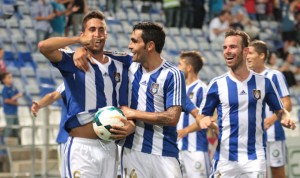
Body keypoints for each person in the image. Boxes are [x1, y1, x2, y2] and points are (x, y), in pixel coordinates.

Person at [73, 21, 186, 178]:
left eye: (134, 41)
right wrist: (81, 50)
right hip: (132, 152)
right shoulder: (128, 64)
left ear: (150, 46)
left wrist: (132, 113)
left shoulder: (173, 74)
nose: (129, 46)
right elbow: (96, 51)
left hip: (164, 153)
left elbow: (172, 117)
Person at [38, 10, 135, 177]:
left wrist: (131, 124)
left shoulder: (122, 63)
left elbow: (126, 103)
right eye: (91, 30)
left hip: (111, 148)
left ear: (106, 34)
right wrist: (78, 43)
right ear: (83, 33)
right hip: (82, 148)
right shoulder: (71, 61)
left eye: (101, 29)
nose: (97, 34)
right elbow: (43, 46)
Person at [196, 29, 296, 177]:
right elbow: (201, 115)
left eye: (233, 47)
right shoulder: (217, 84)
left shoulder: (264, 82)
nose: (227, 51)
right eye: (225, 47)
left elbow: (280, 110)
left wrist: (285, 118)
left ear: (245, 51)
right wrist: (203, 119)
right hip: (225, 158)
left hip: (255, 158)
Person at [247, 40, 292, 178]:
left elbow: (287, 103)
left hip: (273, 135)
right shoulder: (246, 79)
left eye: (250, 53)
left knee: (278, 173)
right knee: (259, 173)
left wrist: (272, 119)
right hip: (253, 137)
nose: (247, 56)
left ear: (261, 55)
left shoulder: (275, 75)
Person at [176, 51, 210, 178]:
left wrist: (185, 131)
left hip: (196, 149)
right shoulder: (179, 89)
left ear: (189, 67)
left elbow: (207, 119)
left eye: (180, 64)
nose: (178, 68)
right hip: (178, 148)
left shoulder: (202, 89)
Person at [30, 83, 69, 177]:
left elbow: (52, 96)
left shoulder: (71, 79)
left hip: (69, 138)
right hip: (92, 137)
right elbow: (52, 96)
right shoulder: (101, 80)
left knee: (68, 174)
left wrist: (38, 105)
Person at [0, 72, 23, 139]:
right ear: (4, 80)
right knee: (9, 128)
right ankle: (4, 143)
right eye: (9, 78)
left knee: (16, 128)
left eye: (11, 77)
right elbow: (6, 100)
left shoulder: (13, 88)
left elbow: (19, 94)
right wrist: (15, 102)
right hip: (9, 112)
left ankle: (17, 144)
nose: (11, 79)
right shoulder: (5, 89)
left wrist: (15, 97)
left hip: (14, 111)